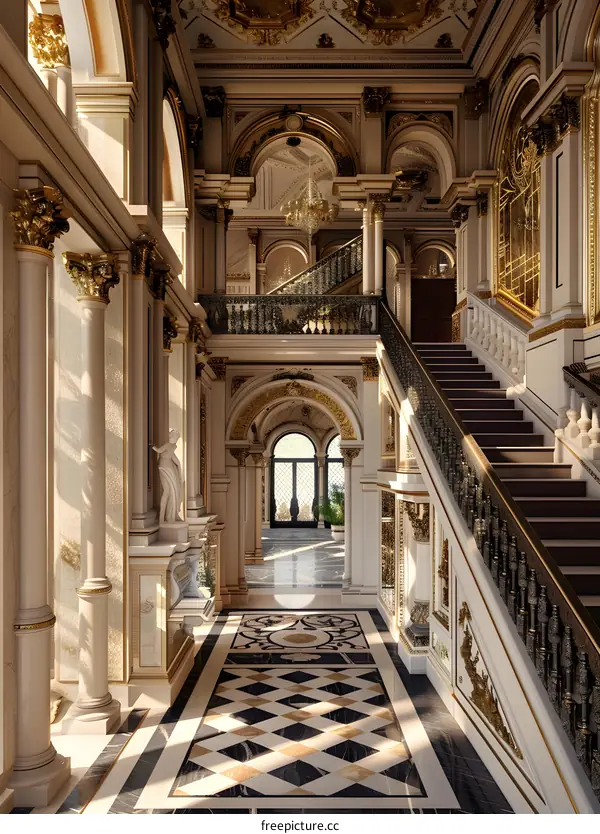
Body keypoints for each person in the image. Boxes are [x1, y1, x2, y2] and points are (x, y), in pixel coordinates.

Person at [153, 429, 183, 523]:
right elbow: (177, 462)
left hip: (164, 467)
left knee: (167, 491)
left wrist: (151, 445)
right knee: (170, 491)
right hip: (168, 468)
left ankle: (164, 517)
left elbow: (158, 450)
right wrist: (179, 473)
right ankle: (168, 516)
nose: (169, 435)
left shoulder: (167, 445)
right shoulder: (173, 446)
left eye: (171, 434)